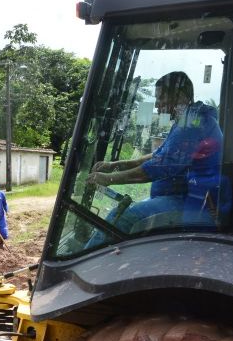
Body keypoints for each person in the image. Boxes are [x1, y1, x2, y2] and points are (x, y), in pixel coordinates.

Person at [86, 71, 223, 246]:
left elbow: (161, 165)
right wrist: (116, 165)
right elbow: (162, 154)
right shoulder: (189, 119)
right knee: (125, 211)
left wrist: (109, 178)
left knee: (119, 217)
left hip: (188, 202)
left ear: (178, 95)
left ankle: (86, 260)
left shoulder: (192, 123)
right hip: (181, 198)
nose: (157, 105)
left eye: (161, 98)